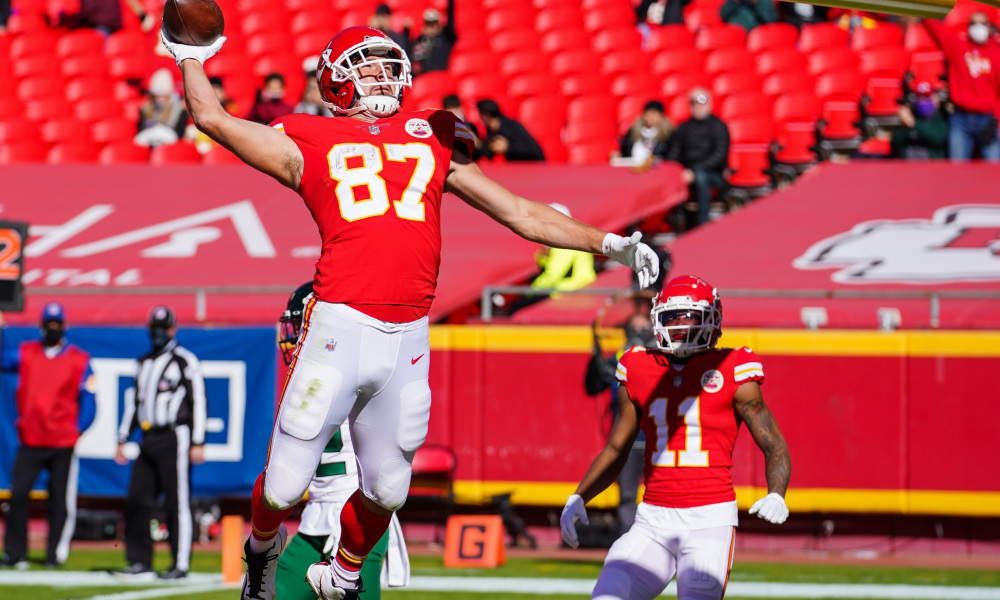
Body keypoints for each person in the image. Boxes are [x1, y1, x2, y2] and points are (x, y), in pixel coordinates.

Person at [158, 24, 659, 600]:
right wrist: (192, 57)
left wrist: (610, 244)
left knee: (390, 489)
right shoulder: (305, 138)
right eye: (365, 65)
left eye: (385, 63)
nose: (380, 73)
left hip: (407, 329)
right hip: (339, 321)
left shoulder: (432, 137)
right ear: (336, 80)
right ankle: (262, 550)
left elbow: (521, 212)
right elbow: (214, 120)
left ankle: (342, 572)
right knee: (284, 483)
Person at [562, 275, 791, 600]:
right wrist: (579, 496)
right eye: (673, 316)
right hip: (652, 519)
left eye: (691, 316)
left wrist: (777, 493)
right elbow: (616, 448)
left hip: (709, 521)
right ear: (658, 319)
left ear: (712, 319)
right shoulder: (638, 366)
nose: (681, 325)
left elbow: (773, 444)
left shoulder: (733, 367)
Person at [275, 284, 409, 600]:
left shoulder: (358, 372)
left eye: (301, 325)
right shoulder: (307, 380)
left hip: (358, 518)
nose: (292, 336)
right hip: (316, 518)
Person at [113, 306, 207, 581]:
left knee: (176, 501)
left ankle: (180, 563)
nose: (157, 333)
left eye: (162, 328)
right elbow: (135, 403)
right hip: (147, 436)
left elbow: (198, 401)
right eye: (153, 328)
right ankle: (139, 560)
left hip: (174, 436)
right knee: (137, 499)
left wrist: (198, 440)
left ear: (172, 330)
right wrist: (122, 437)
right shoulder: (143, 363)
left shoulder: (184, 361)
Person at [0, 303, 96, 569]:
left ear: (64, 326)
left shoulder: (79, 359)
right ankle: (15, 553)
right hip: (30, 439)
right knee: (18, 495)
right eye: (49, 323)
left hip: (62, 442)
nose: (53, 328)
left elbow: (89, 400)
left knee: (59, 500)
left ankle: (55, 554)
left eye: (57, 323)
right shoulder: (27, 352)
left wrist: (77, 429)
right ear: (41, 326)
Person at [925, 13, 1000, 161]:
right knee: (957, 170)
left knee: (994, 170)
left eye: (982, 24)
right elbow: (934, 26)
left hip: (987, 118)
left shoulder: (997, 53)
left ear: (989, 27)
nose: (978, 28)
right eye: (973, 23)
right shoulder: (958, 46)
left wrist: (996, 120)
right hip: (960, 118)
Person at [666, 89, 730, 227]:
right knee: (669, 174)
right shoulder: (683, 128)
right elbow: (674, 154)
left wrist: (693, 171)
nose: (699, 106)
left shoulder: (718, 126)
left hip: (713, 174)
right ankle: (672, 220)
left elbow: (719, 156)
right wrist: (674, 170)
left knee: (701, 176)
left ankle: (703, 221)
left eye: (703, 101)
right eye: (695, 102)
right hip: (686, 173)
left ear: (710, 104)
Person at [890, 80, 948, 160]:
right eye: (920, 97)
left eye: (926, 97)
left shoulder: (940, 116)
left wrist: (914, 123)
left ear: (934, 99)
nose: (923, 101)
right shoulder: (911, 114)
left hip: (931, 165)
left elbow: (938, 139)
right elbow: (895, 144)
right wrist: (902, 126)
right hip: (907, 165)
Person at [477, 99, 546, 162]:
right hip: (516, 168)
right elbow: (489, 153)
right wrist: (478, 144)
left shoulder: (512, 125)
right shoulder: (491, 131)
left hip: (533, 165)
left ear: (485, 115)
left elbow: (532, 149)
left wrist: (508, 148)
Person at [135, 68, 189, 147]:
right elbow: (141, 131)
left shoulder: (179, 111)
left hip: (170, 149)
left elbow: (179, 134)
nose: (160, 99)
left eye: (164, 96)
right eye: (157, 96)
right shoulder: (145, 109)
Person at [617, 100, 673, 166]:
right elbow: (625, 150)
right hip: (632, 166)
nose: (650, 116)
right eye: (647, 113)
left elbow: (670, 156)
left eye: (654, 113)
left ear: (661, 116)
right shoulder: (633, 132)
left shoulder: (668, 135)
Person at [410, 0, 456, 75]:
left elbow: (451, 21)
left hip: (442, 77)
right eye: (429, 24)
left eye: (434, 24)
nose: (432, 27)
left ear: (439, 25)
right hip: (424, 80)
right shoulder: (419, 41)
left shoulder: (446, 38)